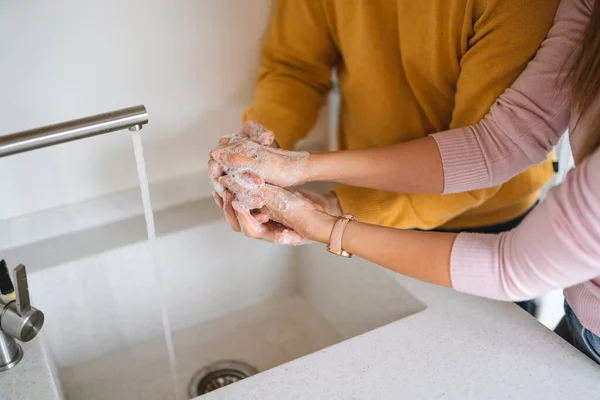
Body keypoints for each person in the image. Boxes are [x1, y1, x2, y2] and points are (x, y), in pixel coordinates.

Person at [211, 0, 600, 364]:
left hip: (485, 218)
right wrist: (264, 148)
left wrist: (333, 212)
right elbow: (490, 146)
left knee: (474, 368)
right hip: (364, 208)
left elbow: (507, 261)